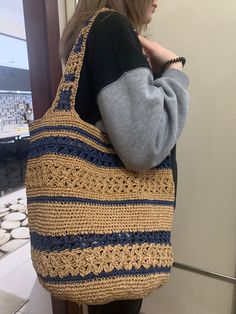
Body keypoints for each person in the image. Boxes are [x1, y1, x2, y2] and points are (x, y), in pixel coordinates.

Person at [59, 0, 190, 313]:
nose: (157, 1)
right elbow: (145, 145)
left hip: (99, 227)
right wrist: (174, 70)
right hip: (121, 229)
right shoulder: (111, 29)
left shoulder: (91, 31)